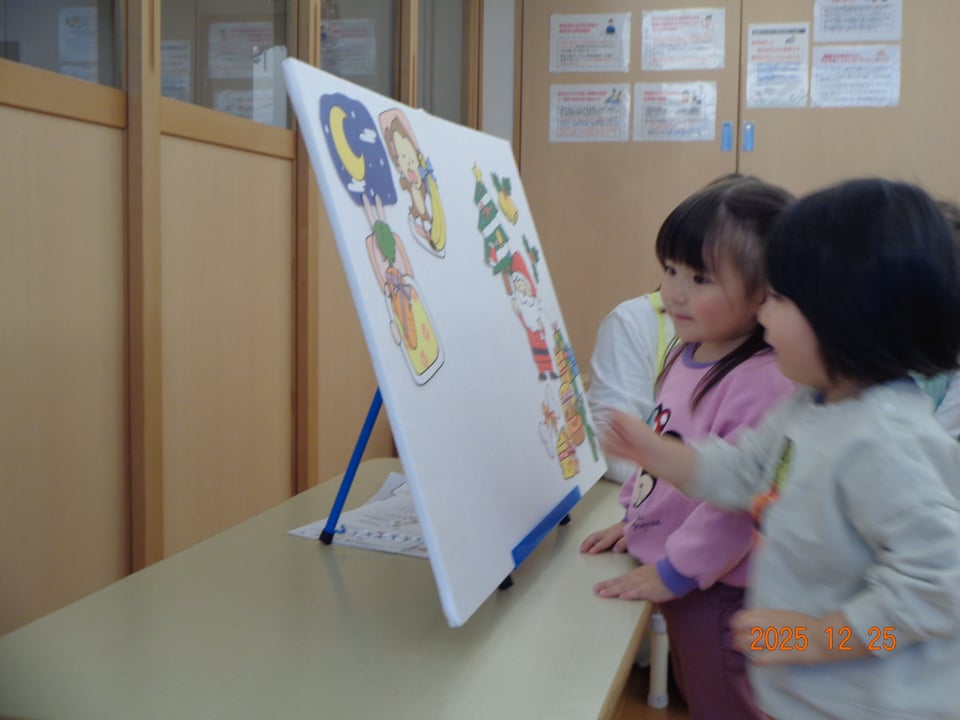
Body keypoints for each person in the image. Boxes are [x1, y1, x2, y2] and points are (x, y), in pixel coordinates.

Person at [600, 178, 960, 720]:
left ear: (847, 316)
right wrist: (658, 454)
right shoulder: (811, 406)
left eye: (778, 299)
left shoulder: (889, 441)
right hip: (807, 690)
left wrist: (817, 638)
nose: (762, 315)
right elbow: (746, 471)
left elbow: (937, 591)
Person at [581, 175, 796, 719]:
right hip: (689, 572)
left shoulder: (765, 379)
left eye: (700, 278)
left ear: (766, 291)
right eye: (671, 269)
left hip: (720, 586)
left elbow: (739, 505)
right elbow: (666, 448)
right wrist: (636, 518)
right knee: (701, 689)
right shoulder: (687, 350)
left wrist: (676, 570)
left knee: (721, 699)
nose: (674, 291)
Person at [588, 291, 673, 484]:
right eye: (672, 274)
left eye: (702, 279)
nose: (679, 293)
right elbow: (608, 443)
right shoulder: (633, 321)